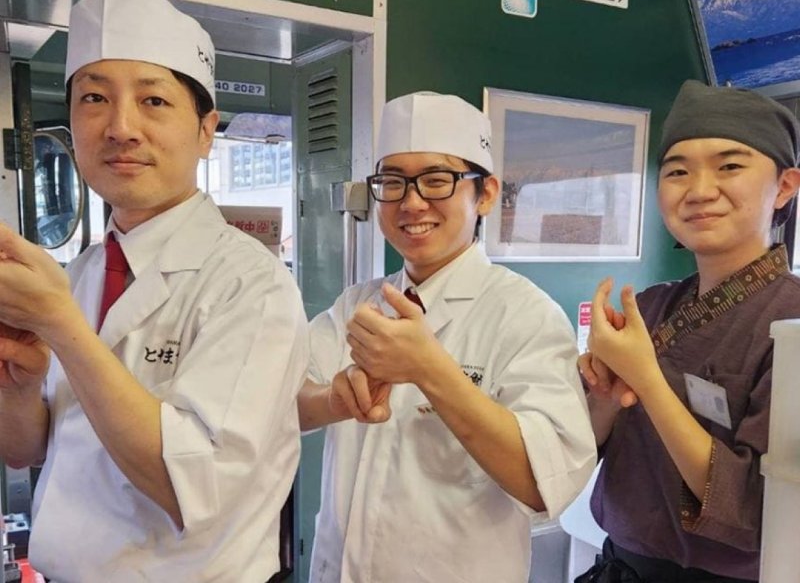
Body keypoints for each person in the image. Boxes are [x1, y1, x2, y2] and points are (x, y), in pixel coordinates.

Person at [0, 0, 308, 581]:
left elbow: (190, 486)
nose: (121, 127)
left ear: (206, 131)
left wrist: (62, 326)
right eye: (94, 98)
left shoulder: (252, 285)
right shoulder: (82, 273)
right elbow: (26, 451)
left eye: (154, 100)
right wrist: (20, 386)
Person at [297, 91, 596, 582]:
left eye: (437, 180)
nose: (412, 202)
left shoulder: (525, 315)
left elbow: (542, 483)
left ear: (486, 194)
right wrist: (335, 400)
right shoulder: (358, 304)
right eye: (393, 182)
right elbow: (282, 404)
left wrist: (431, 371)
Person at [577, 80, 800, 583]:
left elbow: (756, 511)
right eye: (677, 171)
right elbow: (584, 449)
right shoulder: (650, 307)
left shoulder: (794, 326)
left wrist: (647, 380)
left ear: (785, 186)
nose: (699, 191)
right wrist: (606, 394)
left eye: (730, 167)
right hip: (618, 566)